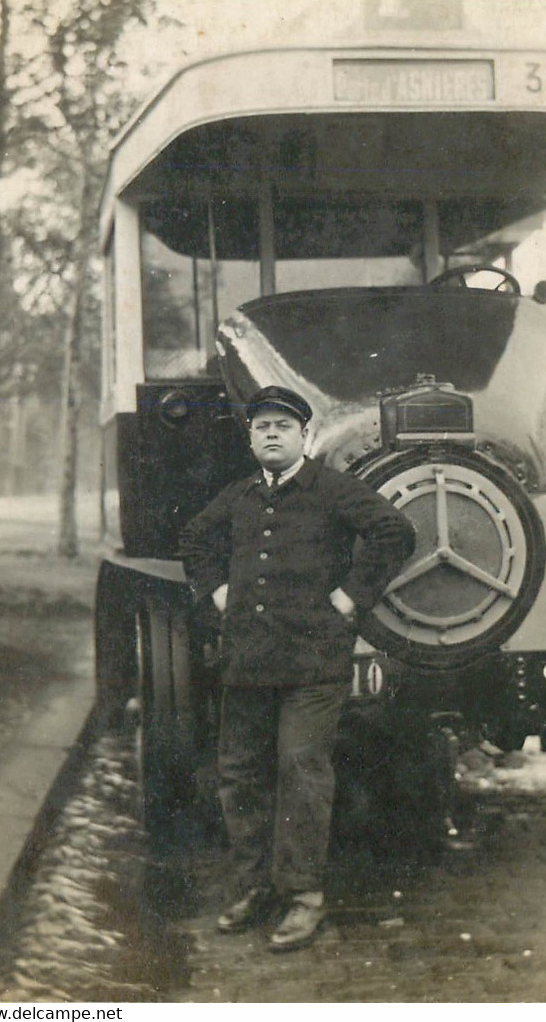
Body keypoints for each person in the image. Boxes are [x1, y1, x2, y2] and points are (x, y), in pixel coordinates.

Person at [178, 385, 416, 952]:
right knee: (240, 774)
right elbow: (193, 538)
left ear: (303, 436)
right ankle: (252, 888)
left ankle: (303, 897)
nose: (271, 434)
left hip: (313, 664)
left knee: (302, 769)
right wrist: (215, 591)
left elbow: (395, 532)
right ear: (250, 437)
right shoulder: (237, 496)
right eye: (261, 427)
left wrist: (350, 598)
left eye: (283, 426)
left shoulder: (333, 489)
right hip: (247, 661)